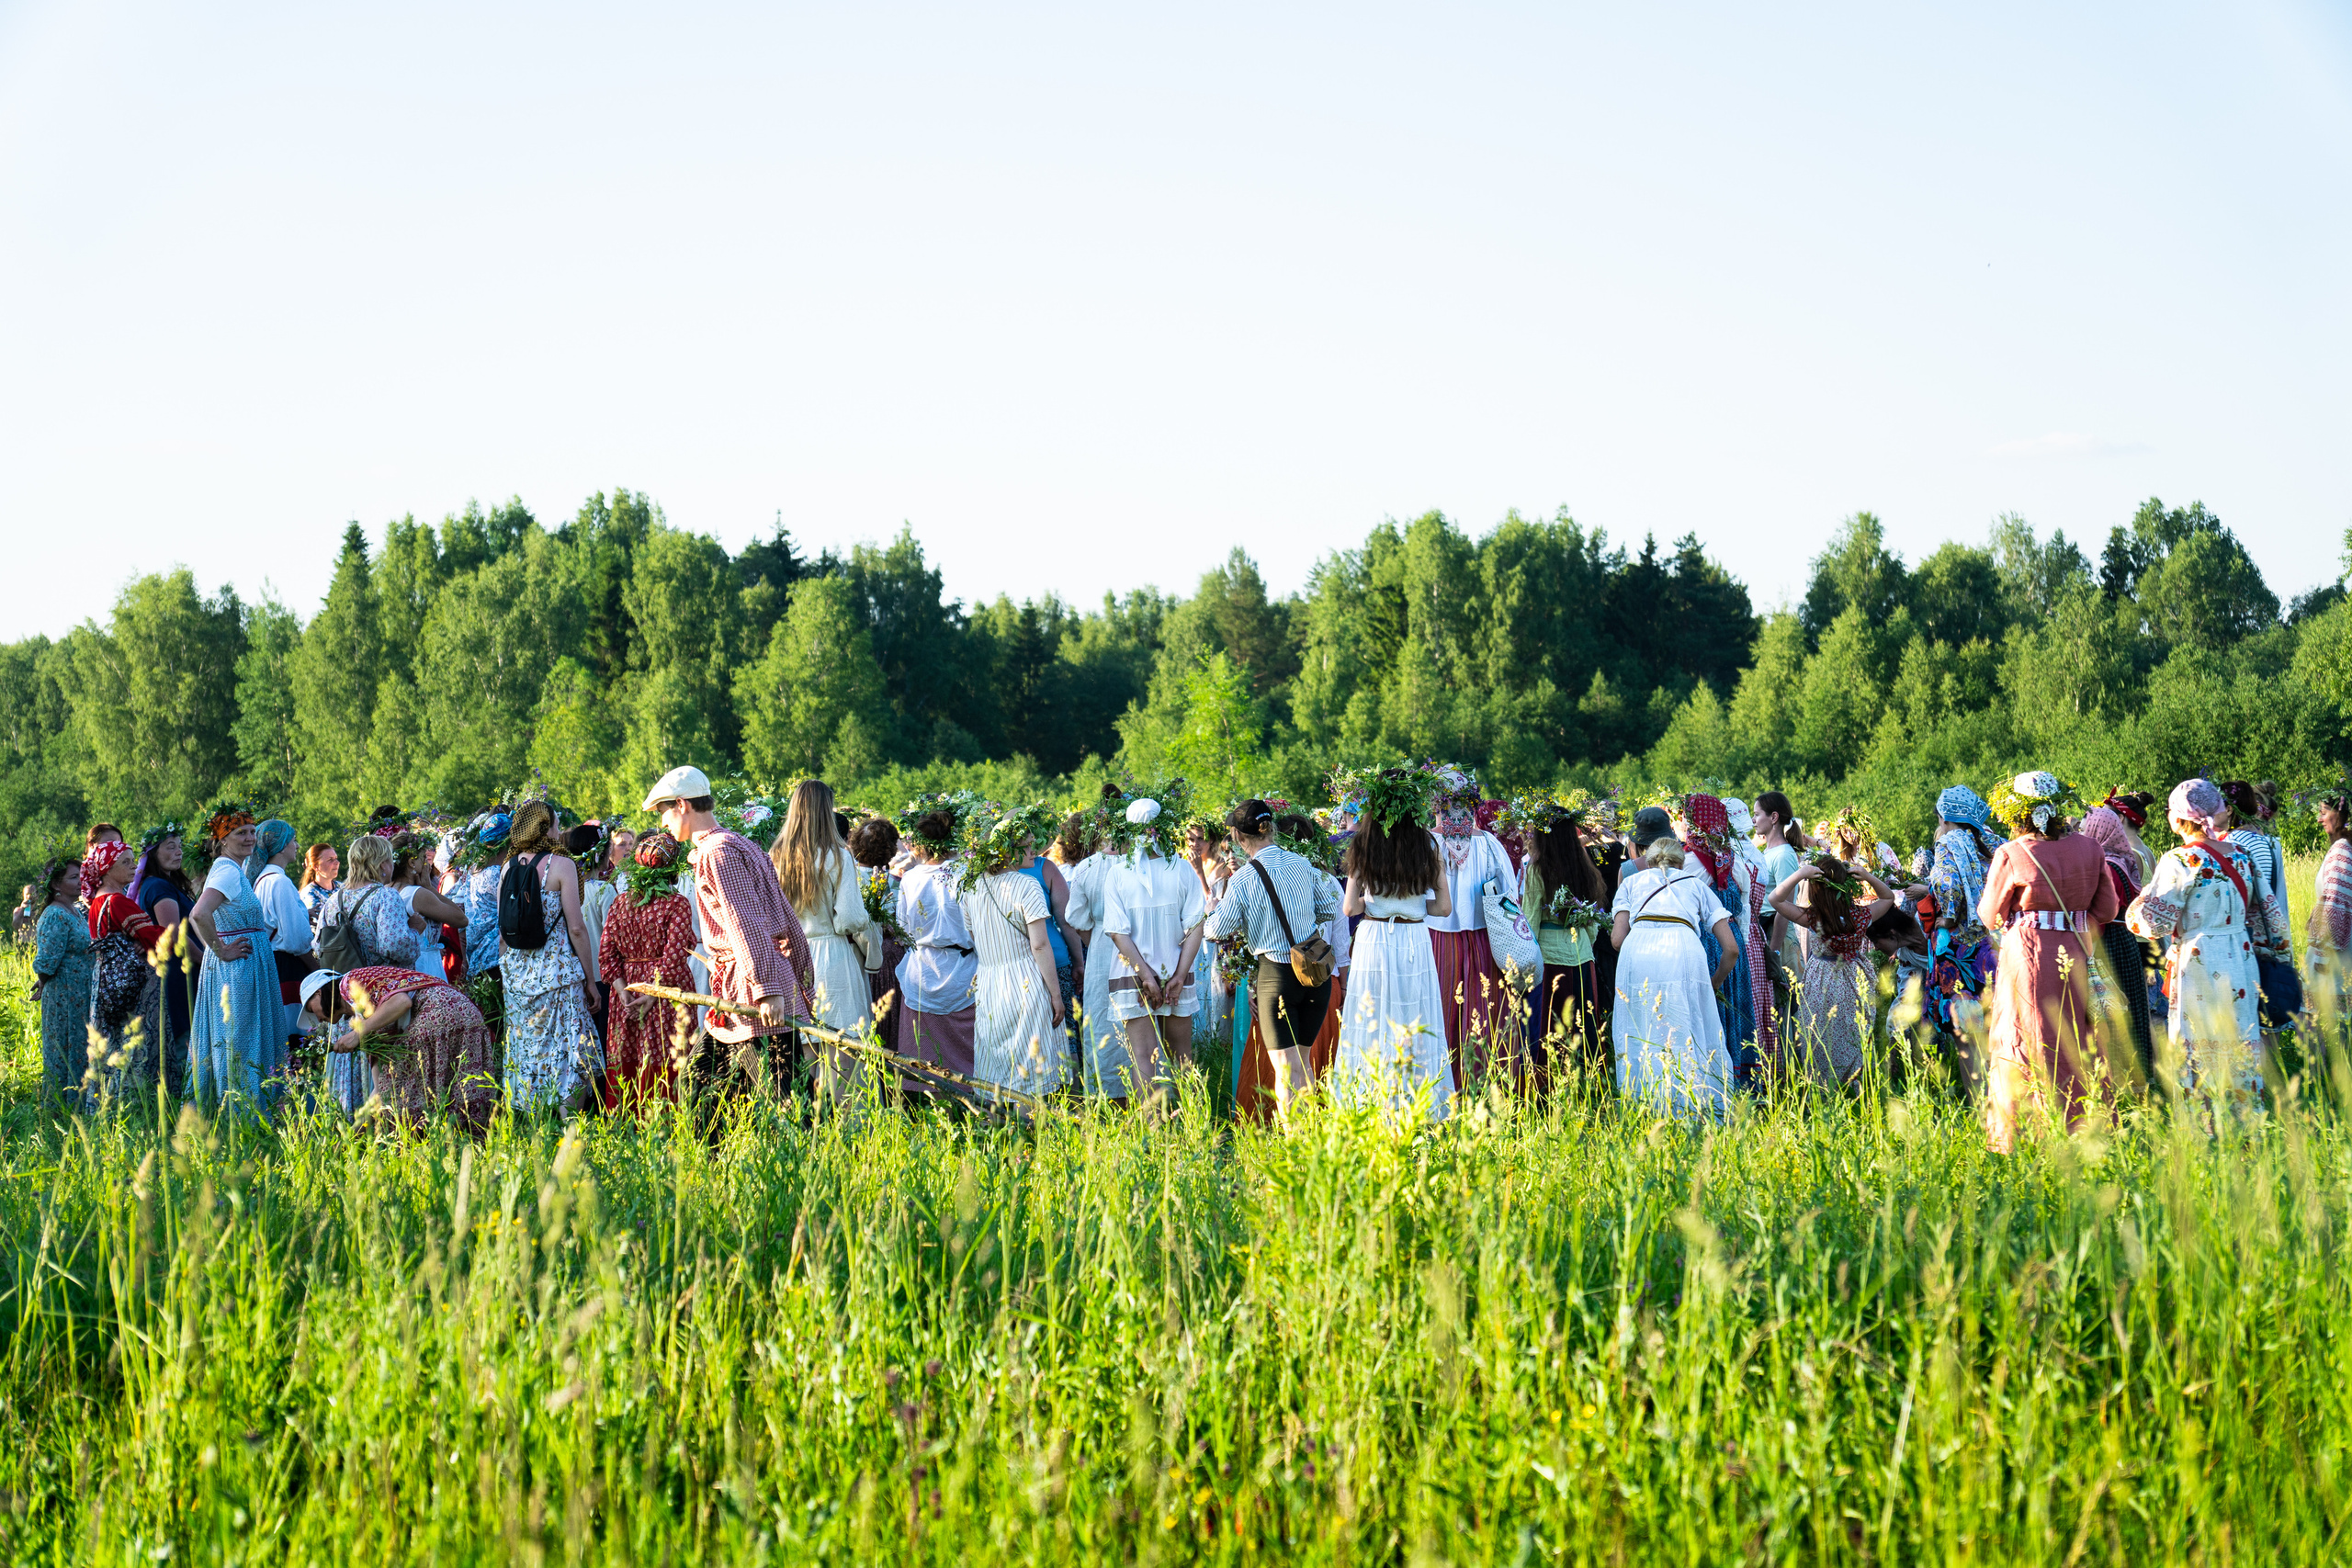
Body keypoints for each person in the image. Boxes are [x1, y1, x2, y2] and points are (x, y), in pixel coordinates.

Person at [644, 766, 815, 1099]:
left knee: (788, 1099)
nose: (662, 823)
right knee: (700, 1088)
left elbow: (745, 922)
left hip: (751, 991)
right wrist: (800, 977)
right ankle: (723, 1151)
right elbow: (786, 918)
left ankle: (821, 1150)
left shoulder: (717, 852)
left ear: (682, 805)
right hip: (744, 986)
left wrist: (767, 988)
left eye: (664, 812)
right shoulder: (738, 843)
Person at [1976, 773, 2122, 1150]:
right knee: (2078, 1035)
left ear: (2016, 811)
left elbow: (1988, 915)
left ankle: (2027, 1133)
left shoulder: (2011, 854)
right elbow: (2107, 908)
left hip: (2028, 956)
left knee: (2027, 1034)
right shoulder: (2091, 849)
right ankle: (2087, 1125)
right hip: (2075, 950)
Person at [2126, 778, 2282, 1100]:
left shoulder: (2179, 861)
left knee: (2198, 1042)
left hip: (2198, 962)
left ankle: (2205, 1126)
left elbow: (2150, 924)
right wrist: (2278, 957)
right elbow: (2270, 915)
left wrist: (2138, 903)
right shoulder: (2241, 854)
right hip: (2241, 959)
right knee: (2239, 1038)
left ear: (2179, 817)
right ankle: (2245, 1118)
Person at [1208, 799, 1340, 1122]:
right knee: (1304, 1064)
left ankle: (1294, 1144)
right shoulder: (1302, 864)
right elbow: (1329, 909)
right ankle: (1310, 1139)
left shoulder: (1242, 880)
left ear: (1239, 838)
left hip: (1275, 975)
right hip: (1313, 974)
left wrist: (1223, 914)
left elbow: (1216, 931)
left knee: (1284, 1071)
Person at [1333, 787, 1455, 1122]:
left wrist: (1376, 904)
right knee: (1415, 1018)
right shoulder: (1429, 845)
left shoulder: (1363, 844)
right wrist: (1413, 906)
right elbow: (1444, 908)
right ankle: (1419, 1106)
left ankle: (1369, 1105)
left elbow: (1349, 907)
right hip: (1414, 937)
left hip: (1374, 938)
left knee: (1372, 1020)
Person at [1610, 807, 1738, 1118]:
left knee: (1640, 1027)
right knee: (1689, 1025)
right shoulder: (1695, 885)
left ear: (1649, 859)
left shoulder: (1630, 883)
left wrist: (1643, 946)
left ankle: (1644, 1107)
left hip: (1637, 950)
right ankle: (1695, 1106)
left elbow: (1616, 940)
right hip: (1684, 949)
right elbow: (1731, 949)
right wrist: (1714, 983)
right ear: (1680, 862)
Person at [771, 780, 879, 1101]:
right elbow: (849, 917)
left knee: (807, 1053)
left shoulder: (776, 855)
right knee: (844, 1054)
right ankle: (847, 1133)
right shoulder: (836, 856)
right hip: (832, 956)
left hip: (793, 958)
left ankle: (811, 1130)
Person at [498, 800, 605, 1114]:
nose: (560, 831)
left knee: (528, 1050)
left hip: (518, 975)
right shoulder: (561, 865)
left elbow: (504, 930)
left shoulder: (508, 867)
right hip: (557, 972)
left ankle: (534, 1121)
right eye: (556, 824)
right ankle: (567, 1121)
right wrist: (590, 979)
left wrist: (507, 974)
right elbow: (576, 927)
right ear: (544, 827)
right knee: (569, 1049)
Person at [958, 804, 1069, 1105]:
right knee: (1031, 1069)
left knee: (997, 1064)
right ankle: (1031, 1135)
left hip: (990, 981)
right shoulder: (1027, 885)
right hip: (1025, 980)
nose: (1034, 851)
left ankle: (999, 1134)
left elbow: (972, 934)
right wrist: (1055, 995)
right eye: (1027, 846)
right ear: (1009, 851)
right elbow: (1040, 945)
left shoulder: (973, 886)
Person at [300, 964, 497, 1131]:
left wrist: (357, 1034)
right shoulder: (367, 1018)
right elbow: (381, 1090)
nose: (317, 1019)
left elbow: (402, 1002)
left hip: (438, 1011)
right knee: (453, 1093)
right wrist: (351, 1136)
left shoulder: (352, 981)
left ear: (319, 993)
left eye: (311, 1009)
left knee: (407, 1098)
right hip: (466, 1014)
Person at [1102, 795, 1207, 1104]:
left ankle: (1153, 1133)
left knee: (1144, 1060)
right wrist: (1179, 974)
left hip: (1132, 975)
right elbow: (1196, 926)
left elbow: (1117, 932)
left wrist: (1145, 975)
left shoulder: (1118, 872)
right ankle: (1193, 1126)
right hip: (1175, 968)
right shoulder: (1183, 869)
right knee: (1182, 1058)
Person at [187, 807, 284, 1114]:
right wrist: (222, 950)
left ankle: (239, 1111)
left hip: (239, 966)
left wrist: (218, 951)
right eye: (241, 833)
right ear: (223, 839)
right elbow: (198, 914)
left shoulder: (231, 869)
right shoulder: (228, 871)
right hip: (238, 971)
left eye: (253, 831)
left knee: (240, 1038)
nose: (250, 838)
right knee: (241, 1039)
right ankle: (243, 1114)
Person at [1769, 852, 1894, 1087]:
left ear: (1816, 888)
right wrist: (1867, 876)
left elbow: (1775, 899)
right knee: (1853, 1031)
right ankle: (1856, 1086)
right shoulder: (1859, 916)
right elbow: (1887, 898)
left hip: (1822, 981)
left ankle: (1823, 1088)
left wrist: (1800, 874)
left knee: (1822, 1032)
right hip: (1855, 979)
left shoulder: (1814, 917)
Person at [598, 831, 700, 1109]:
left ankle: (627, 1125)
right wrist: (654, 995)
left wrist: (623, 993)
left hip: (628, 991)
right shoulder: (676, 903)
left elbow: (607, 953)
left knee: (629, 1054)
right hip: (665, 993)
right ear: (672, 868)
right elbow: (675, 956)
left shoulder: (621, 902)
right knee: (666, 1054)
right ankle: (667, 1123)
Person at [1428, 775, 1517, 1088]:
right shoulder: (1490, 844)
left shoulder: (1428, 841)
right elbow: (1510, 895)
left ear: (1436, 803)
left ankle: (1443, 1086)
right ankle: (1485, 1085)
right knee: (1486, 1011)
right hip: (1484, 936)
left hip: (1437, 936)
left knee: (1441, 1009)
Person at [1518, 799, 1611, 1094]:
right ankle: (1588, 1088)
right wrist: (1585, 944)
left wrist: (1523, 963)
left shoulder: (1538, 870)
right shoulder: (1585, 867)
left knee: (1553, 1030)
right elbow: (1594, 918)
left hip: (1551, 960)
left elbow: (1530, 921)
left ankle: (1551, 1091)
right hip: (1583, 958)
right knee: (1584, 1027)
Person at [892, 800, 980, 1097]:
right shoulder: (966, 874)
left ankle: (926, 1099)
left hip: (922, 968)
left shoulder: (911, 878)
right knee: (969, 1052)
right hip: (962, 968)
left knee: (924, 1049)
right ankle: (971, 1099)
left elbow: (903, 925)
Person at [2076, 797, 2157, 1085]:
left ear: (2099, 830)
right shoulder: (2121, 860)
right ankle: (2142, 1076)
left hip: (2109, 939)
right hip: (2125, 938)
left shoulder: (2108, 866)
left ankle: (2125, 1078)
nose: (2083, 830)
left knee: (2115, 1009)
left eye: (2087, 825)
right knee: (2133, 1007)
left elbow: (2101, 911)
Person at [85, 839, 166, 1103]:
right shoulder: (117, 901)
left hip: (105, 982)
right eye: (125, 863)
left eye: (133, 861)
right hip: (127, 983)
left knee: (111, 1041)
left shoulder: (97, 901)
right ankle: (128, 1103)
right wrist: (176, 930)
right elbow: (153, 937)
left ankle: (104, 1101)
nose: (134, 867)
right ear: (107, 869)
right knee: (129, 1043)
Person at [1682, 794, 1757, 1080]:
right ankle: (1740, 1076)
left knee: (1706, 1008)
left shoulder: (1688, 864)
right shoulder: (1736, 863)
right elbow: (1745, 909)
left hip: (1702, 942)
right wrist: (1743, 946)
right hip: (1732, 943)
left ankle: (1710, 1077)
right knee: (1734, 1007)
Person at [1057, 805, 1130, 1096]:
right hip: (1136, 944)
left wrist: (1094, 940)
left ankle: (1107, 1091)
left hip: (1101, 945)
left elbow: (1074, 918)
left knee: (1101, 1018)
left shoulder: (1088, 868)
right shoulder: (1139, 863)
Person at [1924, 786, 2003, 1057]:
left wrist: (1945, 918)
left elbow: (1948, 884)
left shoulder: (1950, 843)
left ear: (1945, 817)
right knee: (1993, 1022)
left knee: (1966, 1033)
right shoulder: (1993, 842)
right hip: (1991, 940)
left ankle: (1974, 1097)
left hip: (1959, 945)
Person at [2219, 780, 2298, 1033]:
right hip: (2261, 939)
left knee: (2253, 1022)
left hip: (2252, 941)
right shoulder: (2259, 840)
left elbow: (2254, 896)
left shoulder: (2239, 841)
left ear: (2230, 810)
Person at [133, 821, 199, 1099]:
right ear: (153, 854)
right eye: (170, 847)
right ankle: (183, 1102)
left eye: (180, 846)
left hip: (180, 972)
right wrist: (209, 959)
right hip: (177, 974)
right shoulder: (158, 887)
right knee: (183, 1038)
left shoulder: (166, 884)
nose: (178, 852)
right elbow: (174, 937)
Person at [28, 857, 91, 1102]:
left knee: (80, 1047)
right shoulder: (55, 915)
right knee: (64, 1049)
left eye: (80, 876)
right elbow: (47, 961)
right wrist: (42, 979)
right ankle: (61, 1108)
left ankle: (81, 1105)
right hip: (65, 996)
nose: (80, 882)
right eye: (73, 877)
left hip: (79, 994)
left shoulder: (73, 910)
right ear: (56, 884)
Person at [245, 818, 311, 1046]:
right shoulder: (279, 882)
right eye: (293, 841)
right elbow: (296, 940)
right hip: (288, 967)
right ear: (282, 846)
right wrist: (318, 967)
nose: (297, 846)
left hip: (274, 964)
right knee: (295, 1035)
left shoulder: (261, 880)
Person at [1722, 799, 1778, 1060]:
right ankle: (1765, 1069)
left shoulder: (1731, 855)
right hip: (1755, 933)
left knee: (1742, 1000)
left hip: (1735, 932)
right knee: (1758, 1000)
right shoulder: (1755, 854)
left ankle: (1743, 1067)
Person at [2305, 780, 2352, 1030]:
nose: (2320, 819)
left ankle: (2331, 1068)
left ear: (2340, 814)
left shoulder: (2342, 849)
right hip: (2338, 951)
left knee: (2322, 1025)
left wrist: (2323, 956)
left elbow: (2335, 903)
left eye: (2324, 812)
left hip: (2334, 957)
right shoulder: (2343, 847)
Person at [78, 823, 124, 907]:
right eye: (108, 843)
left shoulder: (124, 873)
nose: (114, 848)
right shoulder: (76, 873)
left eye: (118, 844)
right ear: (91, 845)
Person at [299, 843, 340, 921]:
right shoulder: (310, 894)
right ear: (316, 866)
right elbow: (319, 924)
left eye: (336, 858)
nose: (337, 862)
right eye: (330, 860)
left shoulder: (343, 887)